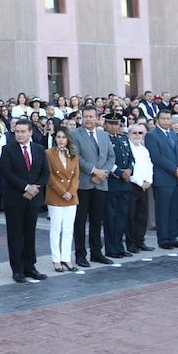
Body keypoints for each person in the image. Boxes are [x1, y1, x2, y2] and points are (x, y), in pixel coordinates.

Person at [0, 117, 49, 282]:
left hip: (33, 198)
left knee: (30, 233)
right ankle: (17, 269)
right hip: (15, 198)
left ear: (30, 132)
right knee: (15, 234)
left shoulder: (39, 149)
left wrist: (35, 188)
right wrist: (26, 187)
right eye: (17, 132)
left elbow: (45, 173)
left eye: (23, 132)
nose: (19, 135)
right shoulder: (8, 149)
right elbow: (7, 172)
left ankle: (30, 267)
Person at [72, 107, 116, 268]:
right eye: (85, 116)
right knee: (81, 221)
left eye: (91, 116)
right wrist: (94, 171)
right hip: (84, 183)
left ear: (97, 118)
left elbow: (111, 156)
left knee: (97, 220)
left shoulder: (104, 135)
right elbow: (76, 157)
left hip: (101, 182)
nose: (88, 119)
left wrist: (103, 173)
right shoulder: (75, 134)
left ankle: (97, 253)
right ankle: (80, 254)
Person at [145, 110, 178, 250]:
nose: (166, 121)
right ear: (157, 120)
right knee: (163, 210)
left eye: (168, 118)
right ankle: (163, 239)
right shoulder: (152, 135)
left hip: (177, 178)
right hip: (163, 178)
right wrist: (174, 169)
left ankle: (173, 236)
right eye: (163, 118)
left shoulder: (174, 134)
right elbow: (156, 157)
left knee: (175, 210)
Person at [45, 127, 79, 272]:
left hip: (71, 197)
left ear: (68, 139)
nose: (61, 140)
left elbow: (76, 176)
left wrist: (71, 192)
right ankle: (56, 259)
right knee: (56, 228)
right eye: (58, 137)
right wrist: (62, 191)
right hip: (55, 195)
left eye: (63, 137)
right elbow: (49, 175)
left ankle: (66, 258)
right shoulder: (49, 153)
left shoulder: (73, 154)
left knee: (68, 229)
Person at [103, 113, 134, 259]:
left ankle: (119, 246)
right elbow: (105, 160)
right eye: (111, 123)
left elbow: (131, 158)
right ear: (106, 125)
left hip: (125, 184)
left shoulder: (123, 138)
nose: (114, 126)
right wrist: (120, 172)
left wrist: (130, 170)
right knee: (110, 217)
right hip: (112, 183)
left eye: (116, 124)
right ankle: (111, 248)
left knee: (122, 216)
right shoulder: (104, 139)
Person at [125, 123, 154, 252]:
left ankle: (140, 241)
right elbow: (130, 168)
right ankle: (131, 243)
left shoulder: (144, 149)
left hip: (145, 186)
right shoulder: (127, 148)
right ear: (129, 134)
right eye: (134, 133)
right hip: (133, 185)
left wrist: (148, 181)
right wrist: (139, 182)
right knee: (131, 216)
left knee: (142, 215)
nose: (137, 135)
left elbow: (149, 166)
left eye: (140, 133)